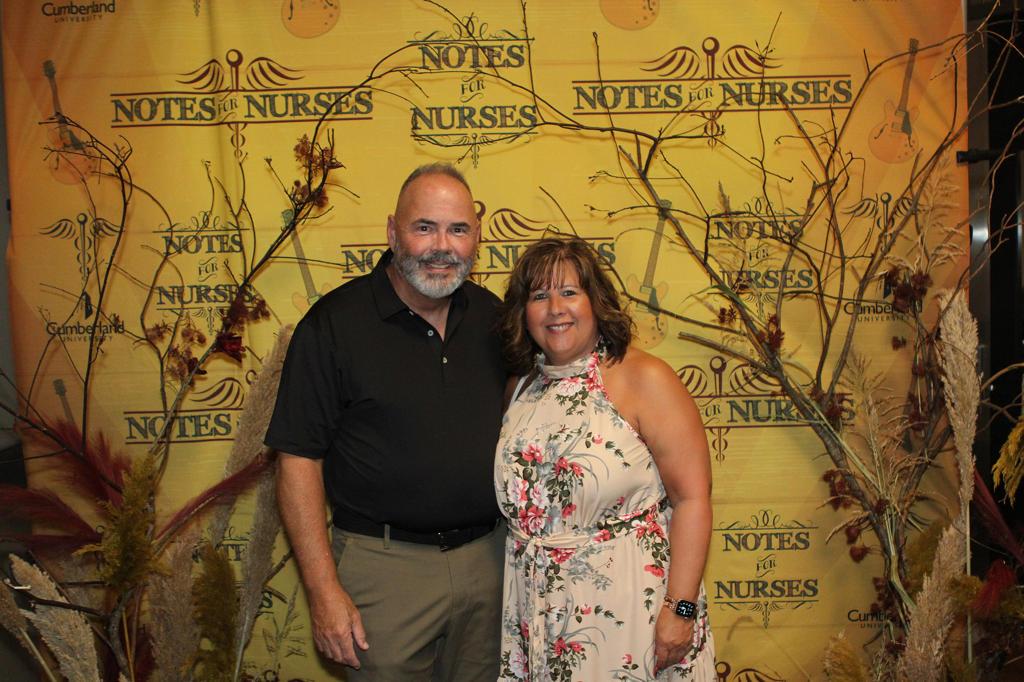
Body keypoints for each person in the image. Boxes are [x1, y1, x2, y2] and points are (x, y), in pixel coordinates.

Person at [265, 163, 506, 680]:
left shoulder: (495, 319)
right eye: (425, 227)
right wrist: (323, 591)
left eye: (458, 229)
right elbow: (298, 459)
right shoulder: (334, 326)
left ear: (477, 237)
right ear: (393, 232)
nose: (442, 246)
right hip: (384, 570)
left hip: (491, 564)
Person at [494, 236, 716, 680]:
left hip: (633, 612)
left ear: (596, 302)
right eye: (539, 296)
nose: (555, 308)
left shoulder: (644, 377)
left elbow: (692, 500)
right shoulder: (521, 387)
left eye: (569, 292)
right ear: (524, 313)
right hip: (537, 611)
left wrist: (682, 610)